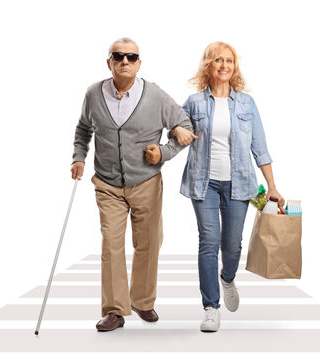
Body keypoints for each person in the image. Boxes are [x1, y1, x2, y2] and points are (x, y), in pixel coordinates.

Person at [71, 38, 192, 332]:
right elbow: (84, 128)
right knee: (111, 245)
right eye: (119, 56)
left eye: (131, 56)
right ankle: (115, 310)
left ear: (139, 63)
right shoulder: (93, 94)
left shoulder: (156, 96)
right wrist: (79, 157)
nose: (125, 61)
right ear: (109, 62)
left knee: (149, 243)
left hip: (146, 182)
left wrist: (163, 152)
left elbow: (186, 128)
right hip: (108, 184)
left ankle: (142, 300)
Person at [170, 42, 285, 332]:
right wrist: (174, 131)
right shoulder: (194, 102)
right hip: (203, 182)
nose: (224, 65)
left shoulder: (246, 103)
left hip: (239, 184)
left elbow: (260, 147)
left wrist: (272, 185)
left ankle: (228, 278)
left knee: (231, 246)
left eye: (229, 61)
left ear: (234, 67)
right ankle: (211, 307)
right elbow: (174, 127)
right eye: (218, 60)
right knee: (208, 242)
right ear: (208, 65)